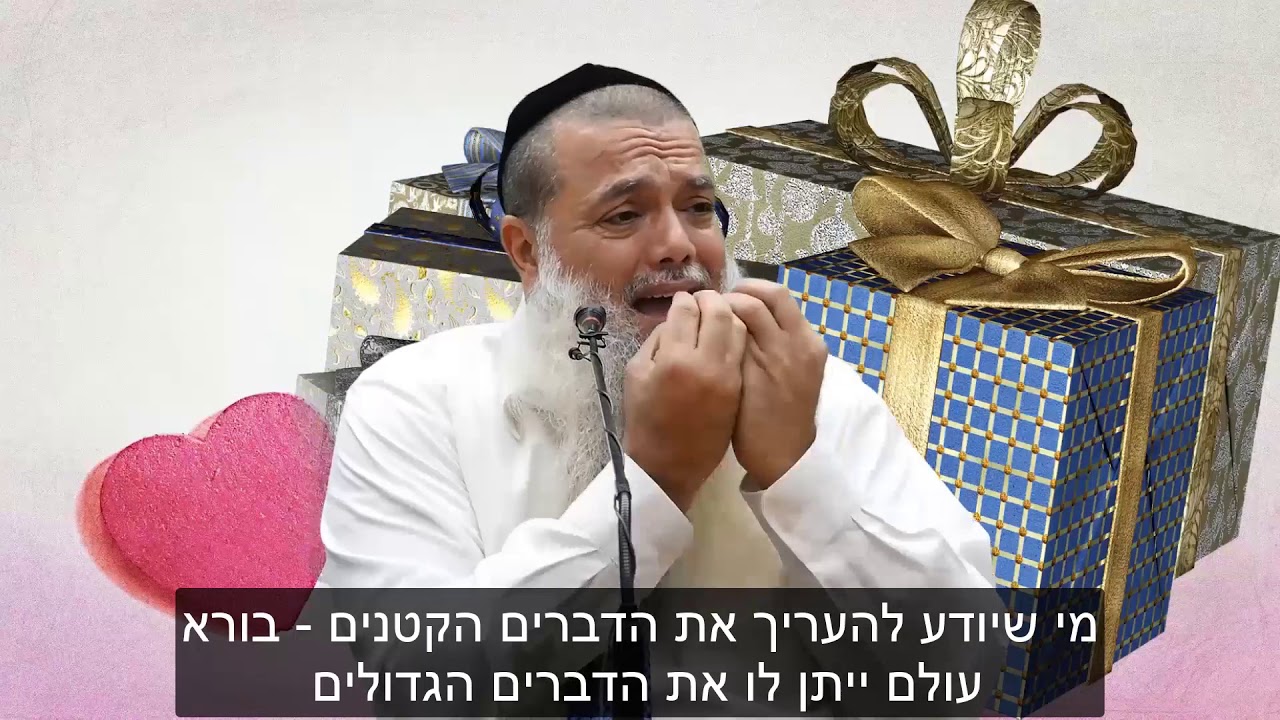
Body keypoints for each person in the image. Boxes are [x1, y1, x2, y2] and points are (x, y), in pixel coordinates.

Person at [318, 63, 1000, 716]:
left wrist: (796, 470)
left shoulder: (803, 391)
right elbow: (417, 688)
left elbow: (959, 682)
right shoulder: (414, 399)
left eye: (699, 208)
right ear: (528, 251)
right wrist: (653, 483)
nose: (681, 245)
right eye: (624, 215)